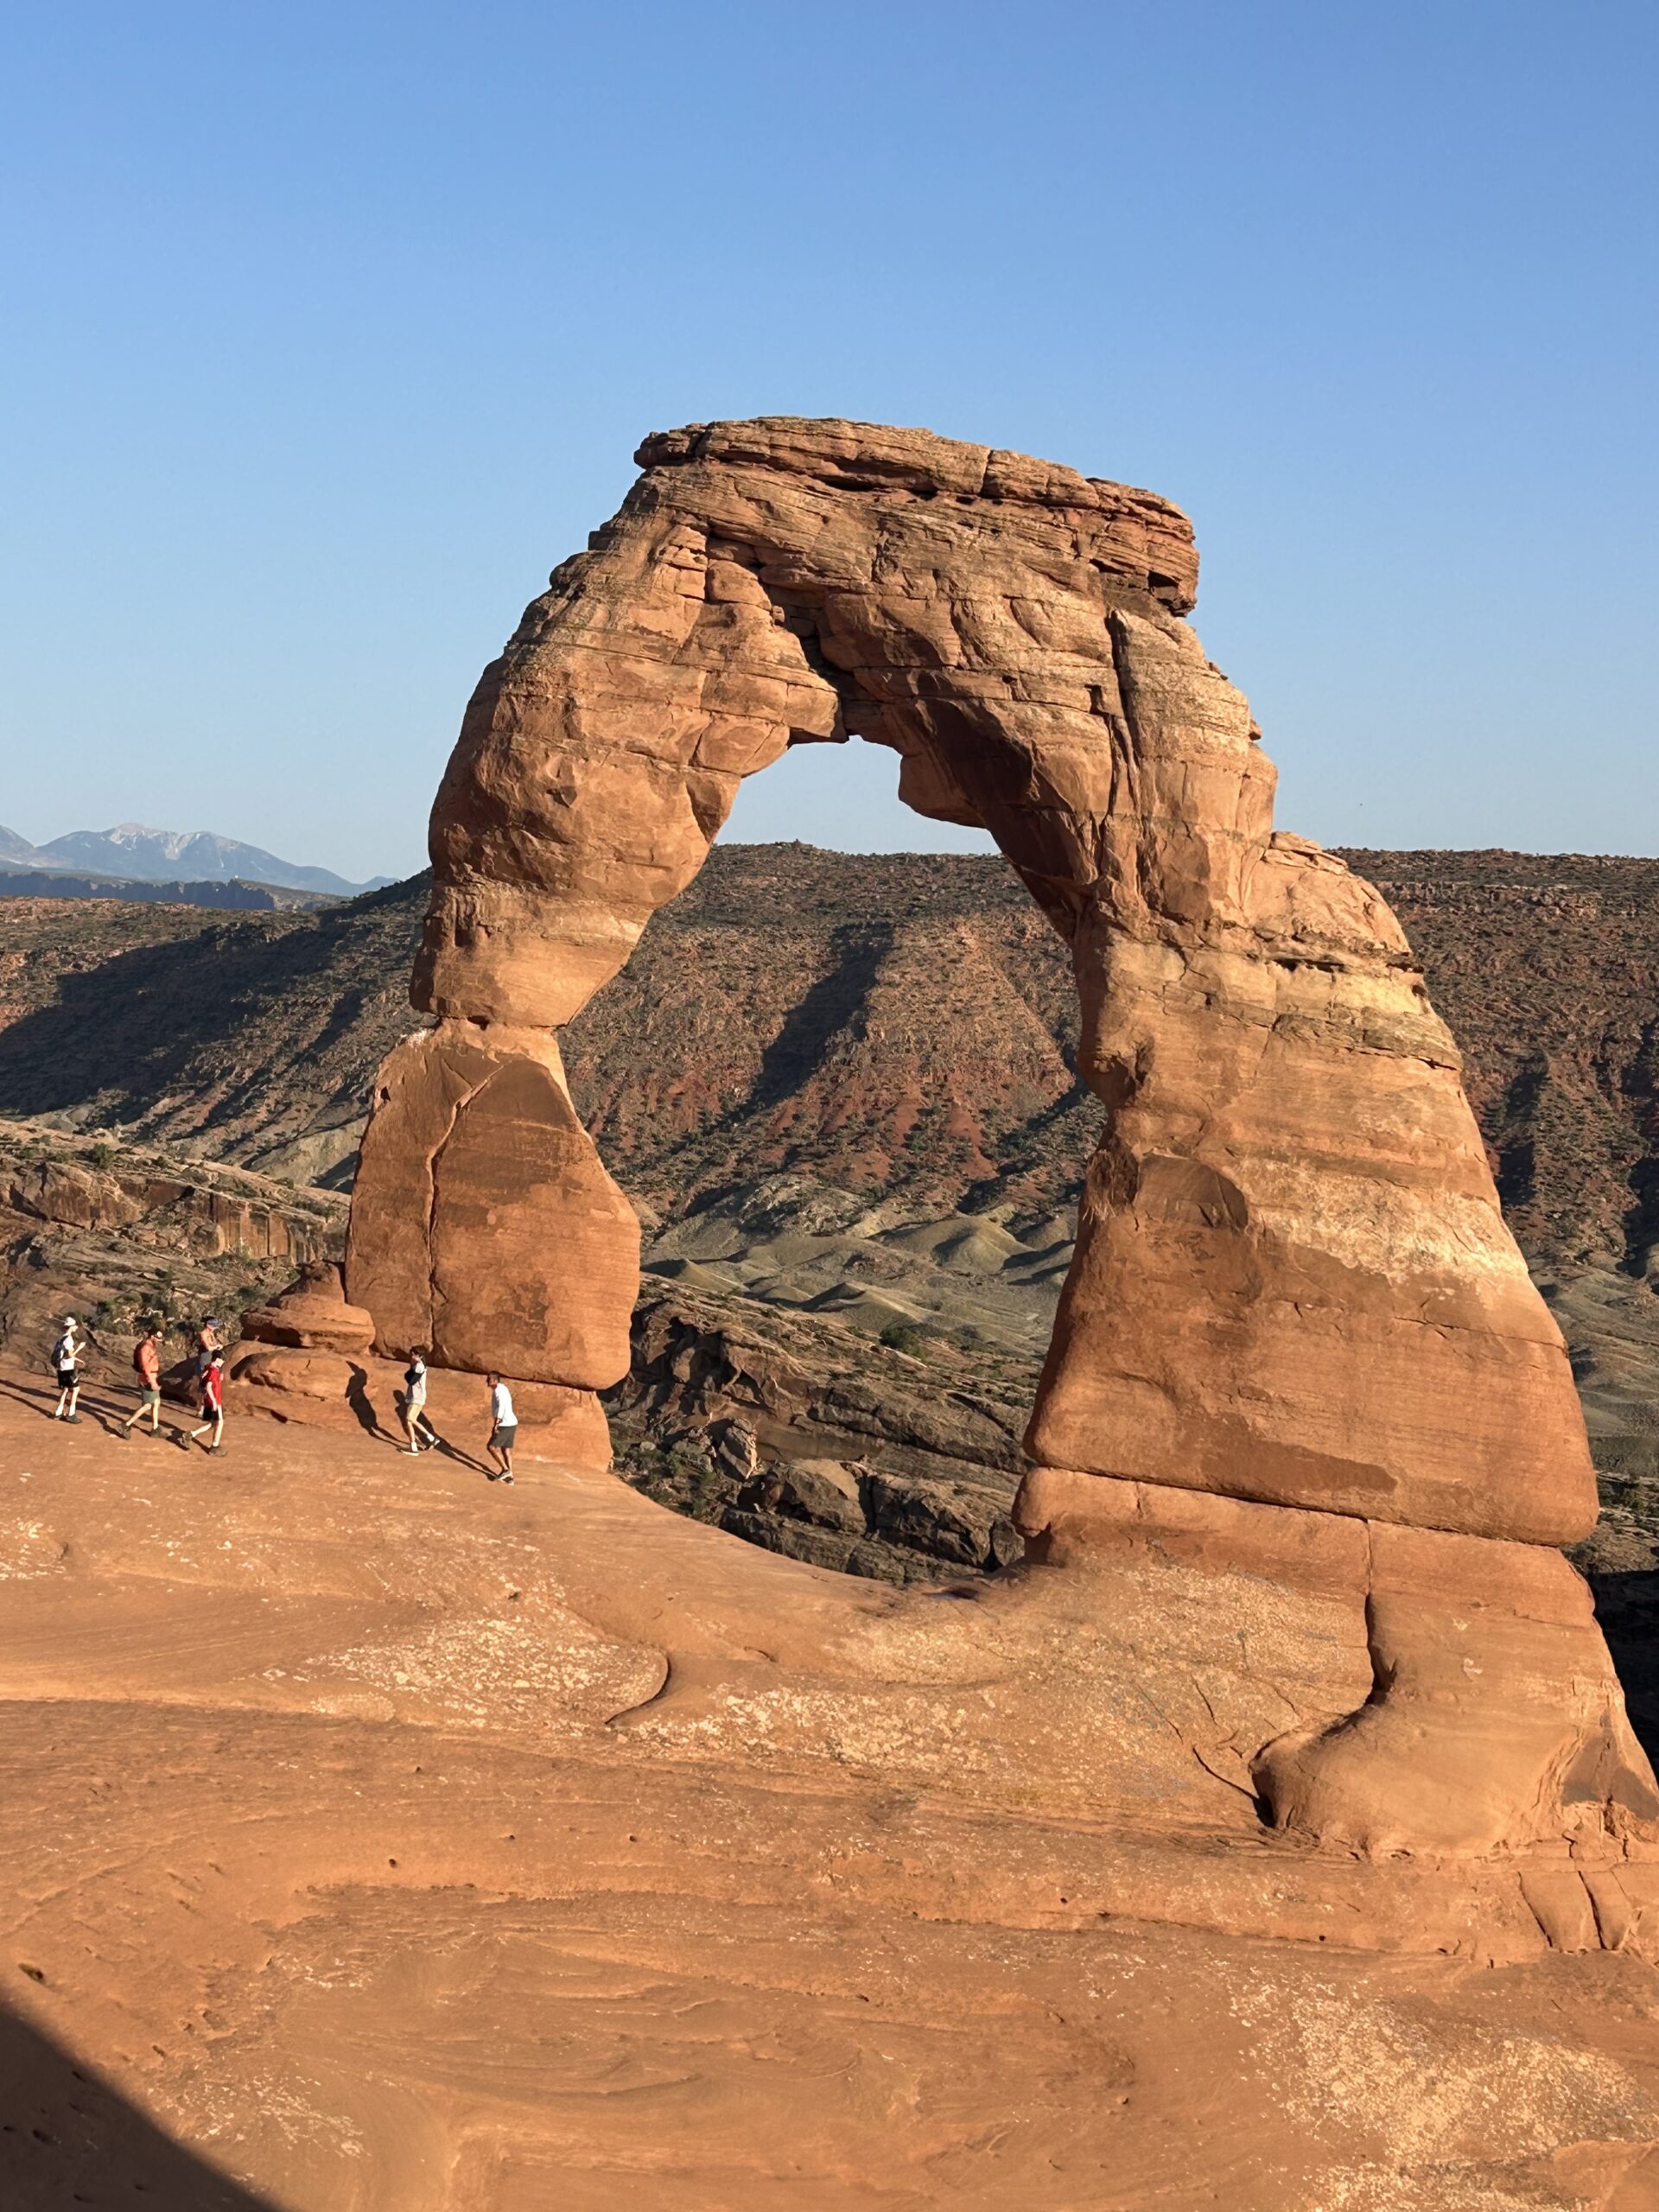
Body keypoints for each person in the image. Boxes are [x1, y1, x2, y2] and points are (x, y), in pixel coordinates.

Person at [122, 1325, 164, 1437]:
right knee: (147, 1406)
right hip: (147, 1380)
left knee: (156, 1402)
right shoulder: (145, 1348)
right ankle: (126, 1425)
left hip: (152, 1378)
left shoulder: (150, 1346)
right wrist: (152, 1382)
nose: (159, 1341)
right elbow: (145, 1367)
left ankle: (155, 1429)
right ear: (152, 1336)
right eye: (157, 1338)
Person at [400, 1349, 438, 1455]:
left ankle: (430, 1438)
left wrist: (411, 1368)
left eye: (414, 1355)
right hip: (415, 1397)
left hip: (417, 1398)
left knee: (410, 1419)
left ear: (420, 1356)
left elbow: (411, 1380)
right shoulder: (418, 1365)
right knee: (409, 1422)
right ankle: (413, 1446)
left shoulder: (419, 1366)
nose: (412, 1356)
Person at [187, 1351, 226, 1453]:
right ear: (217, 1359)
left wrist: (220, 1379)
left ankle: (192, 1434)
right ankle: (215, 1446)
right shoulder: (213, 1371)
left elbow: (210, 1383)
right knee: (220, 1422)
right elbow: (209, 1387)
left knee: (212, 1424)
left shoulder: (209, 1368)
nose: (223, 1362)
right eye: (222, 1360)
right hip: (214, 1400)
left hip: (208, 1399)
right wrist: (214, 1402)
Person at [485, 1373, 516, 1484]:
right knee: (505, 1449)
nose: (486, 1381)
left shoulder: (498, 1390)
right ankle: (510, 1477)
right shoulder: (503, 1388)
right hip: (512, 1423)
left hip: (505, 1423)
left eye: (488, 1379)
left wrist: (497, 1422)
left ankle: (505, 1470)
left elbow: (501, 1406)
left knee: (491, 1447)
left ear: (494, 1380)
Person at [52, 1316, 83, 1422]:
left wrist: (77, 1359)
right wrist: (79, 1348)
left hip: (61, 1367)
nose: (76, 1327)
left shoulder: (62, 1338)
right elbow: (70, 1355)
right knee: (75, 1389)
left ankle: (58, 1412)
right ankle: (71, 1413)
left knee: (65, 1389)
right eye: (75, 1325)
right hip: (68, 1368)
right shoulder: (69, 1339)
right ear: (71, 1327)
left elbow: (63, 1354)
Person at [195, 1315, 222, 1379]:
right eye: (214, 1326)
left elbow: (214, 1344)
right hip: (205, 1357)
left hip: (211, 1356)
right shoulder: (203, 1334)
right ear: (208, 1325)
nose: (215, 1328)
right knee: (205, 1375)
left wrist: (217, 1344)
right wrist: (216, 1346)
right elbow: (208, 1348)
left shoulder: (211, 1334)